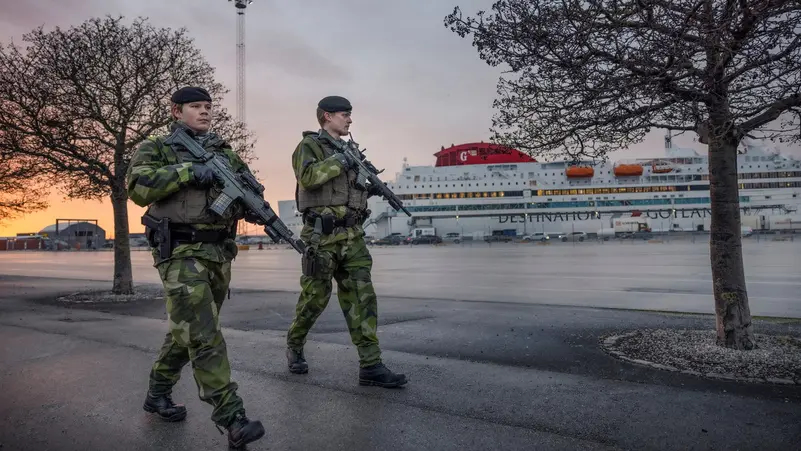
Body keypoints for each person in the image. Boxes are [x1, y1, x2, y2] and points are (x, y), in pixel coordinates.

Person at [125, 86, 266, 448]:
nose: (204, 112)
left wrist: (253, 202)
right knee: (204, 334)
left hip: (219, 253)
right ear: (176, 111)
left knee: (185, 331)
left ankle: (157, 393)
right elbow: (139, 187)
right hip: (180, 253)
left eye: (208, 106)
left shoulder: (225, 153)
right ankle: (232, 417)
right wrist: (189, 171)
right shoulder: (156, 148)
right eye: (195, 107)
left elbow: (249, 193)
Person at [285, 95, 407, 388]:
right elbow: (310, 178)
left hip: (353, 236)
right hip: (321, 237)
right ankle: (295, 343)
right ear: (327, 116)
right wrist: (341, 159)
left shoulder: (349, 150)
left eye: (350, 115)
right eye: (344, 115)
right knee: (315, 297)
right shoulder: (309, 146)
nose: (350, 120)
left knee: (362, 299)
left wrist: (369, 190)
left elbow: (350, 188)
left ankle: (371, 365)